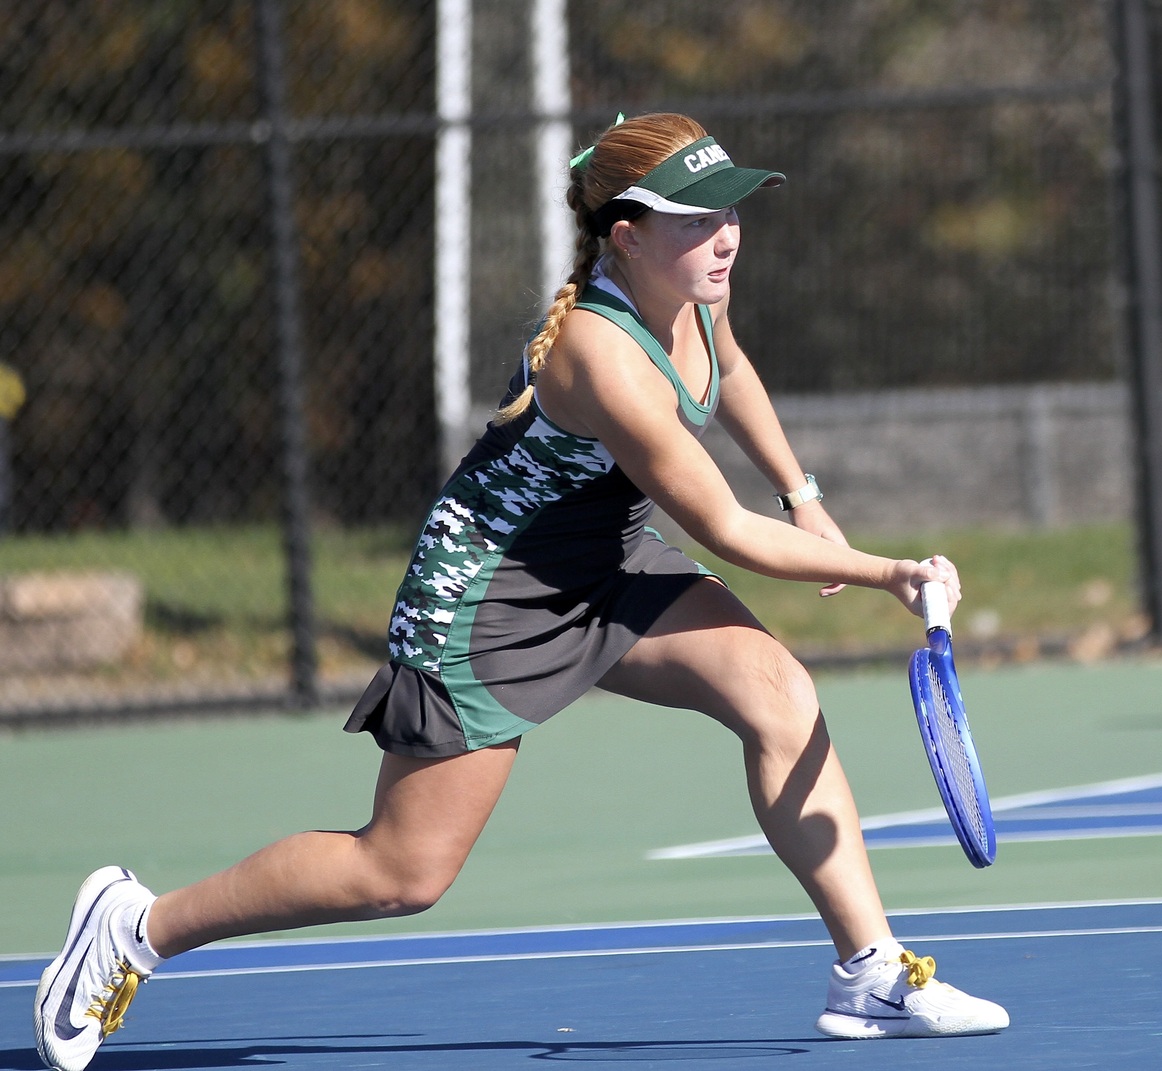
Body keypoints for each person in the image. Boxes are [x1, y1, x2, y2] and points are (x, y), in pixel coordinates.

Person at [33, 112, 1008, 1071]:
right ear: (626, 236)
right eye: (697, 220)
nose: (725, 237)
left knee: (780, 695)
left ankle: (870, 974)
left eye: (733, 213)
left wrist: (807, 497)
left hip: (608, 558)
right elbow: (722, 528)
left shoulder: (694, 288)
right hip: (489, 596)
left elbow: (732, 367)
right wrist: (888, 572)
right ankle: (137, 928)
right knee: (401, 874)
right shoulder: (600, 350)